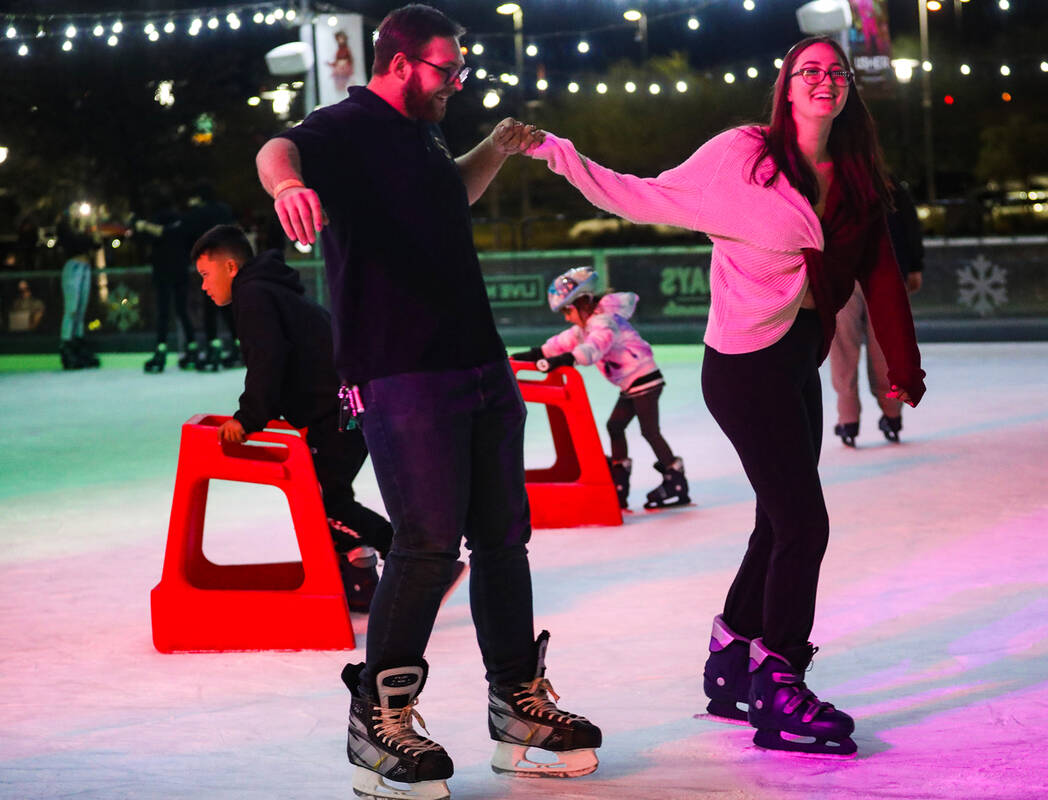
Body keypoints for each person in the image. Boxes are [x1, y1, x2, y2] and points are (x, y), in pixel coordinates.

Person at [523, 36, 926, 757]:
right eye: (809, 70)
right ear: (786, 86)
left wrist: (903, 363)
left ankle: (732, 661)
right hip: (743, 367)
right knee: (804, 525)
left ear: (847, 90)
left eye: (835, 72)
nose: (824, 81)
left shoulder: (858, 176)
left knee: (780, 520)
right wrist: (559, 152)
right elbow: (643, 195)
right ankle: (779, 685)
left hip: (798, 359)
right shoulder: (743, 155)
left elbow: (882, 268)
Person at [254, 6, 601, 798]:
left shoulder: (426, 133)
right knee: (425, 544)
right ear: (402, 62)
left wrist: (496, 149)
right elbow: (278, 149)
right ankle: (379, 721)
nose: (457, 83)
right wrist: (288, 186)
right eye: (447, 71)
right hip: (400, 368)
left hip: (478, 361)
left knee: (504, 538)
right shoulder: (345, 123)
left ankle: (517, 703)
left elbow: (451, 196)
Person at [191, 224, 394, 612]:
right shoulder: (270, 290)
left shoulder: (253, 296)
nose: (204, 286)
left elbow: (268, 360)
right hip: (346, 404)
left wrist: (248, 418)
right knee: (328, 493)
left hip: (341, 407)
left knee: (320, 498)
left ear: (231, 267)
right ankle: (361, 576)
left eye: (206, 275)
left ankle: (414, 561)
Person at [509, 266, 689, 510]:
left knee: (649, 430)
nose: (566, 317)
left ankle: (675, 479)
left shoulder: (603, 323)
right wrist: (524, 357)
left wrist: (562, 361)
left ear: (579, 305)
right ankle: (619, 479)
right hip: (632, 382)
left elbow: (593, 349)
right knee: (615, 426)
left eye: (567, 311)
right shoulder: (585, 327)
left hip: (644, 378)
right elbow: (558, 345)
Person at [829, 178, 924, 446]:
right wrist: (915, 266)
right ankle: (892, 415)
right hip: (887, 276)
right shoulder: (889, 185)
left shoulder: (831, 182)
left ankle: (848, 420)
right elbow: (910, 228)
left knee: (843, 349)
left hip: (844, 275)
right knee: (886, 346)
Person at [133, 187, 200, 372]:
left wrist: (141, 227)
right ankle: (192, 347)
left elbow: (146, 239)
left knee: (163, 312)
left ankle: (161, 349)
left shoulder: (155, 220)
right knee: (182, 310)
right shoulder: (181, 219)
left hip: (162, 270)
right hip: (180, 269)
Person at [180, 182, 238, 371]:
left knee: (210, 308)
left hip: (210, 265)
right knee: (228, 306)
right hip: (227, 262)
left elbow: (188, 235)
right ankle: (238, 346)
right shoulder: (224, 210)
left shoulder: (197, 215)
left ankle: (214, 346)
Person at [56, 212, 101, 370]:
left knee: (81, 310)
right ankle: (66, 343)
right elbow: (75, 243)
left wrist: (93, 226)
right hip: (73, 267)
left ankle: (77, 342)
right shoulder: (66, 230)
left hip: (85, 268)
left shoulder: (85, 230)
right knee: (72, 309)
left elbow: (96, 244)